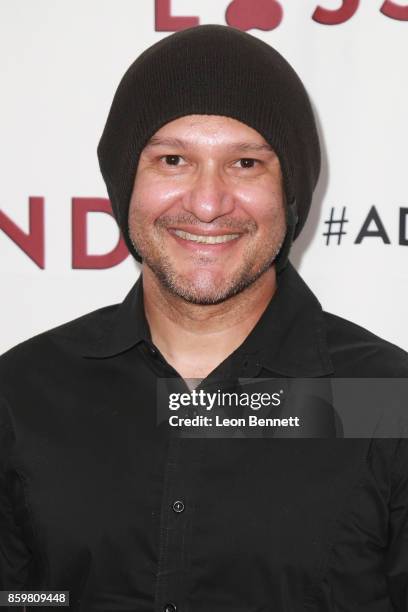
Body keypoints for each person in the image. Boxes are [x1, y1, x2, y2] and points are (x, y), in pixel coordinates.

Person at [1, 24, 407, 612]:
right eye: (173, 159)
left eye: (245, 163)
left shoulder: (382, 399)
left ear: (290, 191)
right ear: (124, 184)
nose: (209, 203)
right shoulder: (27, 391)